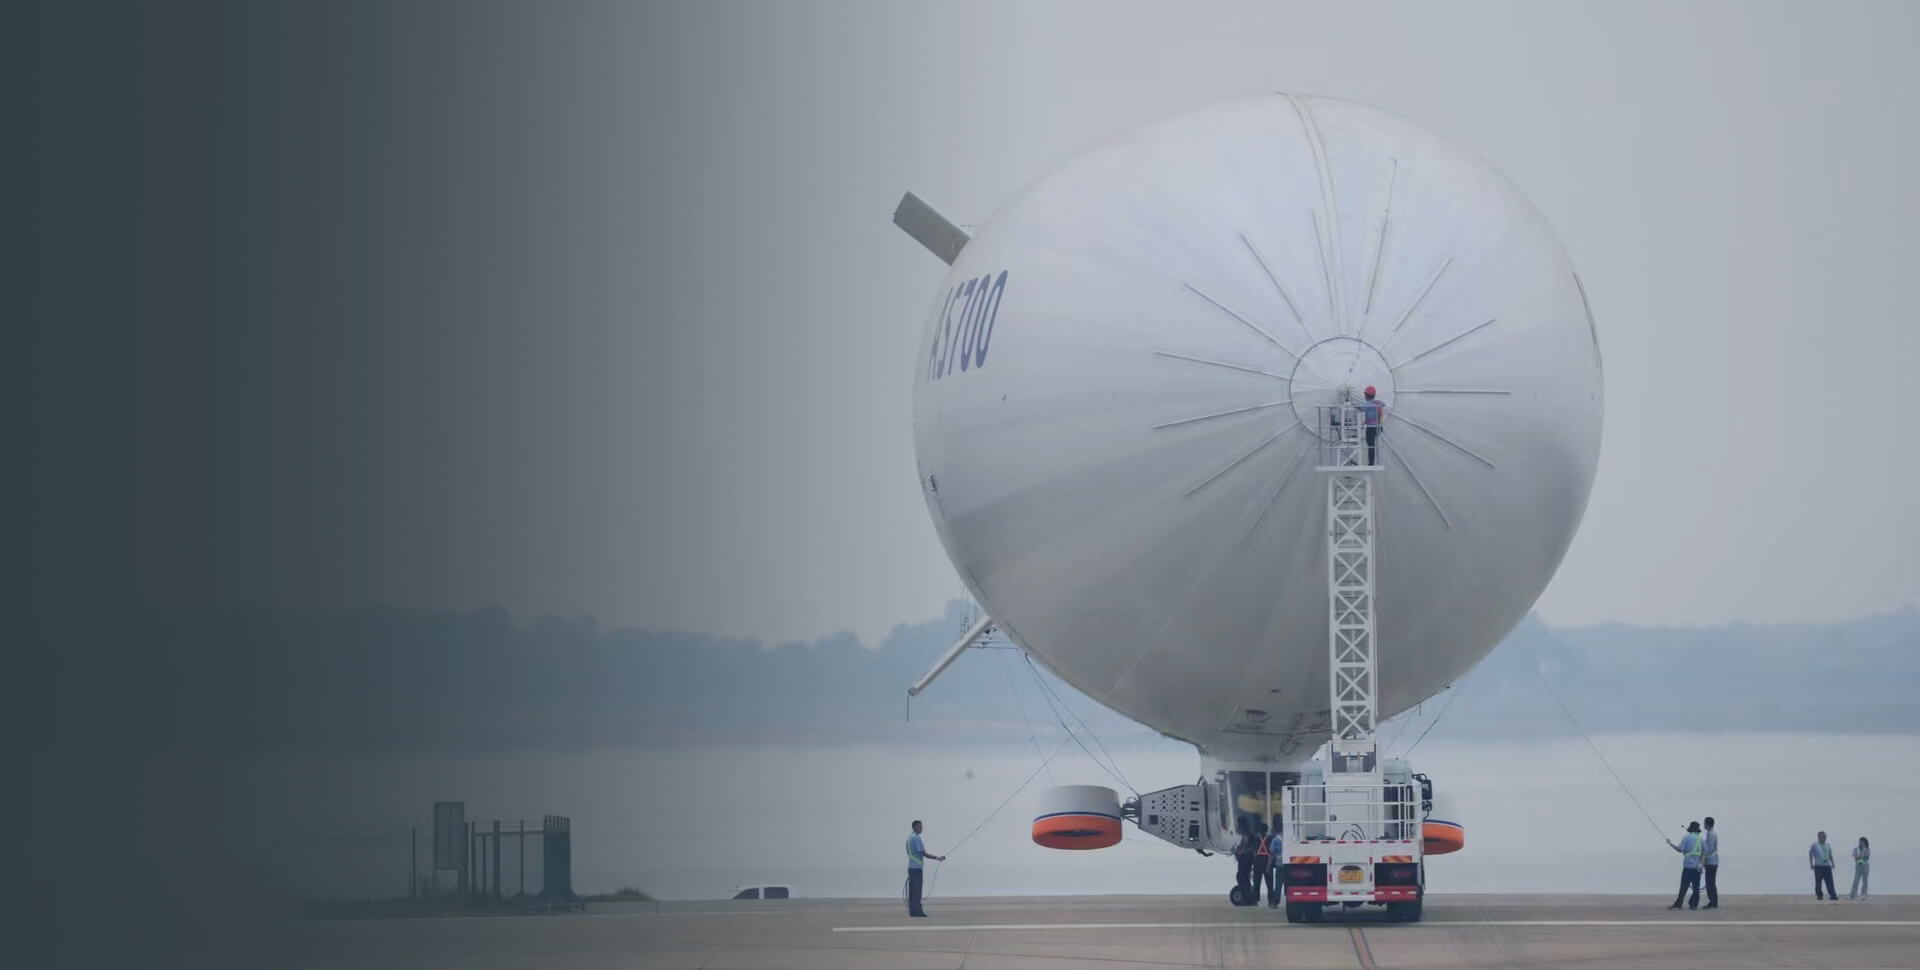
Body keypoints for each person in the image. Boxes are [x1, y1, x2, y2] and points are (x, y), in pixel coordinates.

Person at [905, 820, 945, 917]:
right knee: (917, 890)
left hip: (911, 868)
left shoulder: (909, 838)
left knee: (912, 890)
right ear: (914, 827)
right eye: (919, 827)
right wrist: (937, 858)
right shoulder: (916, 838)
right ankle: (918, 911)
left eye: (921, 827)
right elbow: (923, 853)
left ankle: (913, 911)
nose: (921, 828)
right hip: (917, 868)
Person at [1666, 821, 1705, 910]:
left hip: (1687, 866)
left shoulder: (1686, 837)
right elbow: (1704, 853)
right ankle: (1694, 904)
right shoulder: (1701, 839)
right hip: (1697, 867)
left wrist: (1670, 844)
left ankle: (1678, 904)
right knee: (1696, 888)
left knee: (1683, 887)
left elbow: (1679, 849)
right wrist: (1701, 865)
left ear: (1690, 829)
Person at [1809, 831, 1838, 901]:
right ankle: (1819, 895)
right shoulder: (1814, 845)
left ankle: (1833, 895)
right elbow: (1810, 854)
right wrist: (1811, 864)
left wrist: (1833, 863)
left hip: (1827, 866)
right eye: (1822, 837)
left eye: (1825, 837)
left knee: (1830, 882)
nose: (1824, 838)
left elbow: (1830, 855)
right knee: (1818, 882)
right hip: (1818, 866)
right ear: (1819, 837)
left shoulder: (1828, 845)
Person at [1360, 387, 1385, 466]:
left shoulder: (1368, 404)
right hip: (1378, 427)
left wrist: (1352, 405)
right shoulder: (1378, 402)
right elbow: (1382, 406)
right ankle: (1372, 462)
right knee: (1373, 444)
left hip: (1371, 428)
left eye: (1365, 394)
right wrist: (1364, 423)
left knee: (1370, 445)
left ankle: (1371, 463)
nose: (1364, 396)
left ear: (1367, 395)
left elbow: (1361, 409)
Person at [1250, 820, 1272, 906]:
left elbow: (1254, 852)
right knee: (1270, 884)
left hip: (1258, 861)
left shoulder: (1255, 838)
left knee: (1257, 883)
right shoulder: (1270, 838)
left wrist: (1253, 864)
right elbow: (1271, 852)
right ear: (1266, 830)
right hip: (1267, 861)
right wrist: (1269, 865)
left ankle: (1255, 900)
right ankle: (1271, 901)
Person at [1700, 817, 1720, 909]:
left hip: (1711, 862)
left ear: (1707, 824)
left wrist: (1703, 861)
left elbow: (1709, 850)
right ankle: (1713, 901)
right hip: (1712, 861)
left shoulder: (1711, 834)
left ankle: (1713, 902)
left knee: (1710, 883)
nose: (1703, 825)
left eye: (1704, 823)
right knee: (1710, 883)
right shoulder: (1711, 833)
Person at [1265, 820, 1285, 908]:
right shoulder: (1291, 837)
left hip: (1280, 865)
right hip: (1290, 865)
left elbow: (1271, 854)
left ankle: (1275, 903)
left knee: (1278, 885)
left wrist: (1268, 867)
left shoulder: (1276, 839)